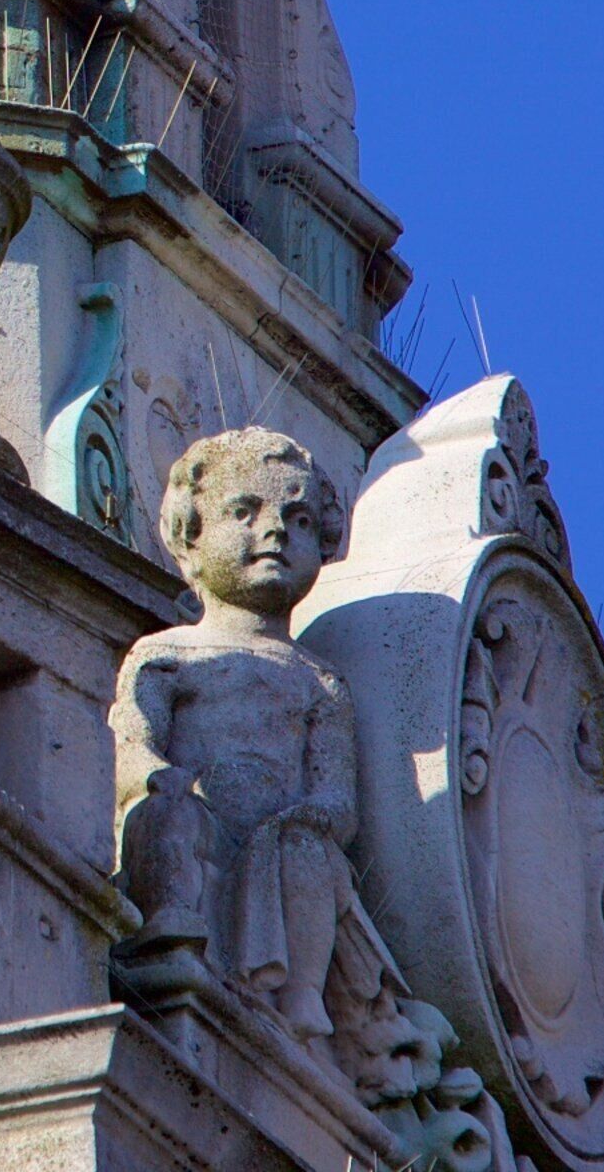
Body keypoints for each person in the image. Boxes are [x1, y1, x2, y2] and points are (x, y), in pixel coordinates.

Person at [110, 426, 362, 1042]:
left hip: (280, 843)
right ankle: (170, 924)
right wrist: (154, 775)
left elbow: (338, 796)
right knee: (167, 814)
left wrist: (311, 820)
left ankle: (302, 993)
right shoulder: (165, 654)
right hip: (196, 820)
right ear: (190, 540)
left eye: (298, 520)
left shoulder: (319, 680)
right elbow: (130, 742)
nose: (275, 530)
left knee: (307, 854)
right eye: (244, 511)